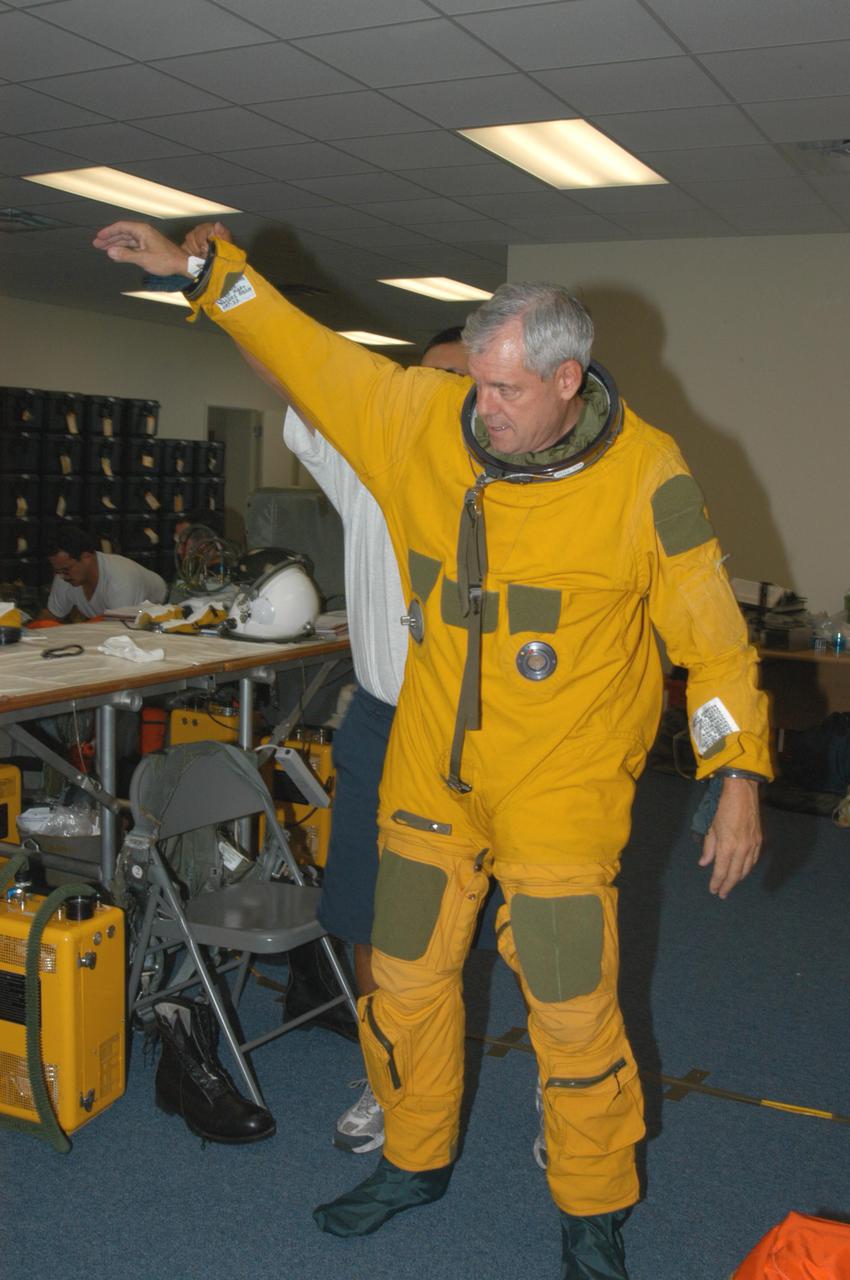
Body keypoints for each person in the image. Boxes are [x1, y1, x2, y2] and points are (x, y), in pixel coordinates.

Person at [94, 221, 772, 1280]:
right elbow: (308, 351)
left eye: (504, 388)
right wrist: (200, 274)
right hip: (431, 771)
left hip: (563, 785)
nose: (481, 404)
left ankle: (592, 1206)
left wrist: (736, 774)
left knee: (572, 1009)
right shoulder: (424, 422)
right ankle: (412, 1158)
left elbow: (714, 639)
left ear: (566, 378)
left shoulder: (646, 473)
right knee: (402, 981)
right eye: (476, 383)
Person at [179, 221, 474, 1156]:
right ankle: (392, 1079)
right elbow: (295, 372)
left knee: (522, 935)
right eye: (430, 381)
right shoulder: (368, 472)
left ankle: (561, 1098)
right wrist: (221, 286)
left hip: (497, 739)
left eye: (466, 385)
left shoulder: (528, 490)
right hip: (386, 726)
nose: (445, 397)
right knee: (364, 915)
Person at [43, 525, 166, 621]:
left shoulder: (121, 578)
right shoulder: (65, 574)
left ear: (86, 557)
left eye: (65, 570)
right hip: (110, 622)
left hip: (161, 613)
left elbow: (120, 632)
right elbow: (52, 616)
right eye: (57, 571)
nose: (62, 576)